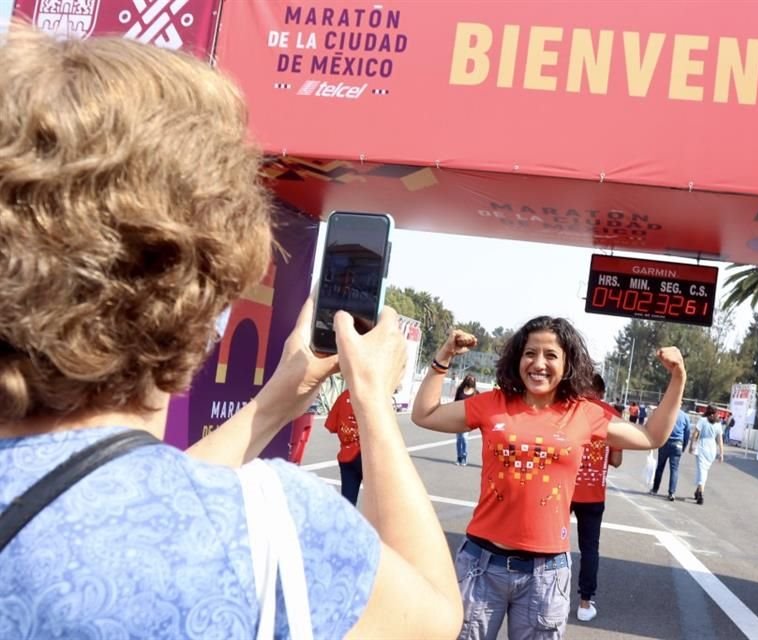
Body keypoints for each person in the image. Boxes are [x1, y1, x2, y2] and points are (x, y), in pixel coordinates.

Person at [0, 26, 462, 639]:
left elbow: (115, 479)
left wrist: (277, 400)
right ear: (200, 288)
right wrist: (372, 396)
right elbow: (430, 615)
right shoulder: (271, 526)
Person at [412, 317, 686, 639]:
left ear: (568, 362)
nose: (538, 364)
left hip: (546, 575)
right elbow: (424, 414)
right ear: (518, 358)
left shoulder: (585, 413)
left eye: (551, 355)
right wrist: (443, 356)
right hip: (480, 566)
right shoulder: (492, 404)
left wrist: (678, 377)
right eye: (530, 353)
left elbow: (652, 436)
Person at [570, 373, 622, 623]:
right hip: (593, 494)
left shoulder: (571, 407)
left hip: (564, 488)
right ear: (601, 392)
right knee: (590, 549)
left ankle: (542, 591)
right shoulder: (611, 414)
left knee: (550, 542)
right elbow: (616, 460)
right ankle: (584, 603)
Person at [325, 388, 363, 504]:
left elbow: (331, 426)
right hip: (368, 454)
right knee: (378, 503)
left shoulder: (344, 396)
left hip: (346, 455)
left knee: (347, 502)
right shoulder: (375, 394)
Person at [650, 411, 691, 501]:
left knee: (660, 467)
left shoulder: (667, 412)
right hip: (677, 444)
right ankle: (671, 493)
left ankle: (655, 489)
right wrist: (684, 445)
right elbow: (687, 432)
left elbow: (659, 426)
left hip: (665, 441)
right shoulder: (685, 416)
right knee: (674, 469)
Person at [690, 406, 724, 505]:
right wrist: (721, 453)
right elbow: (720, 440)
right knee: (704, 470)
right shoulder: (718, 424)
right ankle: (698, 490)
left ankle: (700, 493)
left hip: (702, 446)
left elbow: (695, 434)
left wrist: (691, 445)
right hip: (712, 449)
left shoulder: (702, 420)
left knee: (701, 470)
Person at [454, 374, 479, 465]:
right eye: (469, 379)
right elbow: (455, 402)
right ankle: (459, 457)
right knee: (458, 439)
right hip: (458, 418)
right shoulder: (460, 390)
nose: (471, 381)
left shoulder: (476, 393)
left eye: (472, 379)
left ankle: (464, 456)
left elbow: (478, 406)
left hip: (468, 418)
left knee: (464, 438)